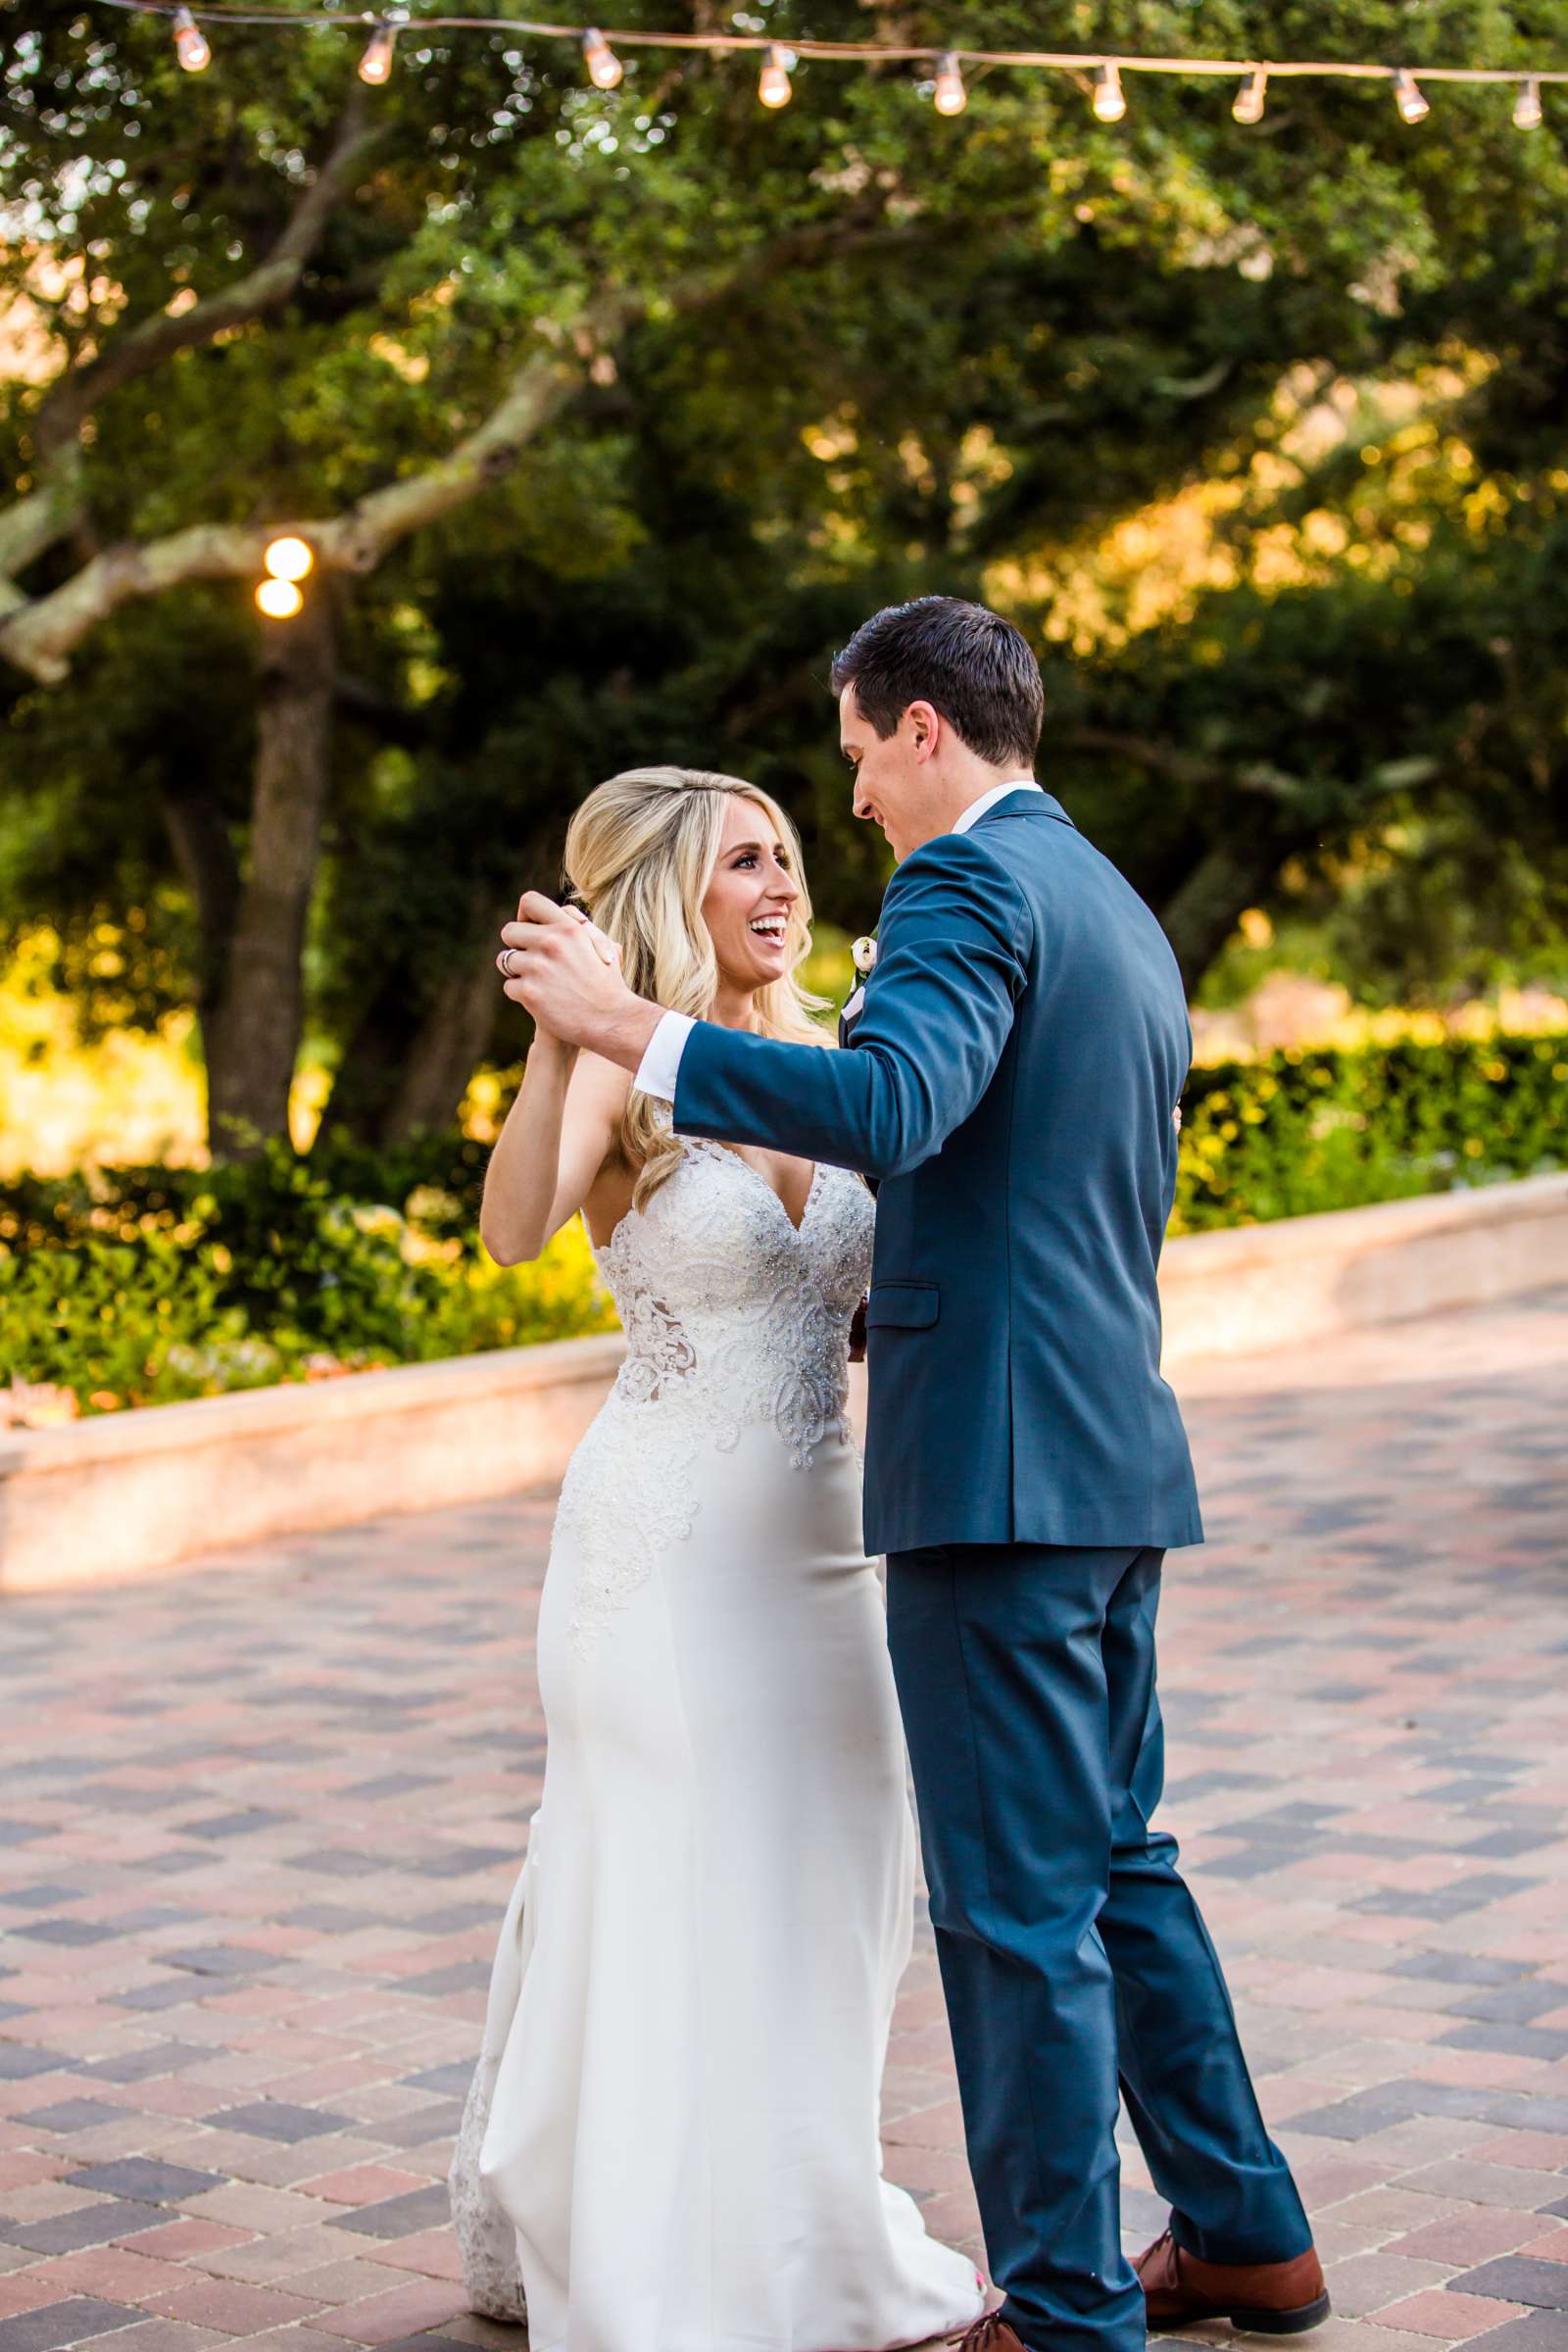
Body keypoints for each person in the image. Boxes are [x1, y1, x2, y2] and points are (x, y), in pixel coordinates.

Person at [499, 599, 1330, 2352]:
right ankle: (1248, 2233)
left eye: (861, 755)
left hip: (994, 1478)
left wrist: (627, 1024)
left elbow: (890, 1112)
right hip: (1109, 1458)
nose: (857, 799)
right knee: (1118, 1864)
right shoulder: (1111, 901)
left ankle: (1062, 2311)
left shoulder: (964, 886)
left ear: (922, 729)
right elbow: (1032, 1185)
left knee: (1016, 1913)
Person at [447, 764, 988, 2352]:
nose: (782, 885)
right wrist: (567, 1033)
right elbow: (512, 1224)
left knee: (829, 1891)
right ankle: (653, 2253)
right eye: (742, 861)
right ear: (668, 895)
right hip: (665, 1560)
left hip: (835, 1555)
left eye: (788, 856)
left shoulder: (840, 1055)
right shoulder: (634, 1074)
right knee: (680, 1884)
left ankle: (793, 2220)